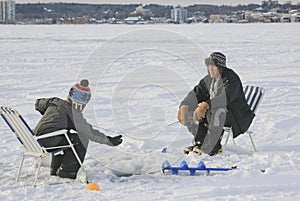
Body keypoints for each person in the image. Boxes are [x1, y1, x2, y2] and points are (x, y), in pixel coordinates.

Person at [33, 79, 123, 179]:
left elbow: (38, 103)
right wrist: (109, 140)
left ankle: (55, 169)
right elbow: (89, 133)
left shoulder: (55, 102)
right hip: (47, 142)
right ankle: (67, 172)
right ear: (78, 103)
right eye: (83, 105)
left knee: (66, 135)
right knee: (81, 138)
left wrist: (49, 114)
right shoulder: (73, 114)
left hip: (33, 140)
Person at [178, 52, 254, 156]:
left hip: (237, 116)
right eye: (209, 66)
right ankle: (201, 142)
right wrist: (184, 106)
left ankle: (213, 146)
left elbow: (225, 99)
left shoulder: (231, 79)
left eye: (214, 66)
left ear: (221, 67)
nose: (211, 68)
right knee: (191, 112)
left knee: (216, 111)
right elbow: (196, 93)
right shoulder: (209, 79)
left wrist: (206, 104)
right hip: (217, 113)